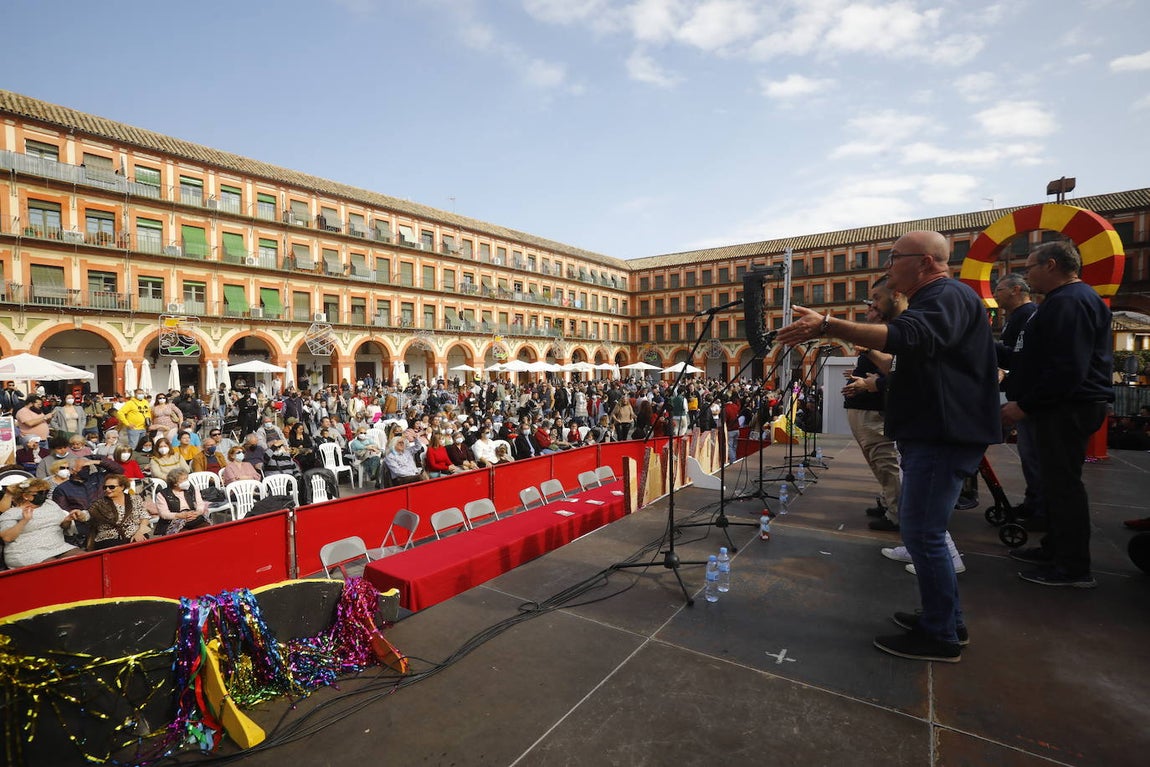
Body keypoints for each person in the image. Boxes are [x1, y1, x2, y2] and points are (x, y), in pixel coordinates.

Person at [778, 229, 1000, 663]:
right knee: (924, 531)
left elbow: (907, 338)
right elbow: (926, 363)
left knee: (923, 532)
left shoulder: (945, 295)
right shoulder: (941, 298)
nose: (886, 267)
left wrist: (827, 325)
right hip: (940, 431)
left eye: (893, 257)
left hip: (942, 434)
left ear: (925, 261)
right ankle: (946, 620)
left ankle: (940, 636)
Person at [1001, 241, 1113, 588]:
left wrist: (1025, 405)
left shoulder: (1070, 303)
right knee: (1054, 484)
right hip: (1065, 406)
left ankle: (1072, 567)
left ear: (1051, 265)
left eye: (1031, 265)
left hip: (1067, 408)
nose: (1028, 272)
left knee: (1063, 487)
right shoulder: (1067, 301)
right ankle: (1055, 549)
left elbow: (1067, 368)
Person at [842, 278, 904, 533]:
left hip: (874, 408)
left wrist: (870, 380)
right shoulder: (879, 338)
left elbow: (894, 369)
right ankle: (890, 504)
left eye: (873, 305)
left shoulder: (890, 335)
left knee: (885, 461)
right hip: (863, 406)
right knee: (876, 462)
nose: (868, 312)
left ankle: (898, 514)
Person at [993, 272, 1043, 527]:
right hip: (1021, 396)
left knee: (1035, 457)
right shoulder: (1018, 317)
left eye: (998, 288)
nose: (994, 293)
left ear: (1015, 290)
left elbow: (1019, 358)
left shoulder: (1028, 316)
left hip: (1028, 399)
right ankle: (1033, 502)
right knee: (1029, 455)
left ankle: (1040, 511)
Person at [0, 478, 87, 567]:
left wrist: (67, 520)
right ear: (26, 496)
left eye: (46, 492)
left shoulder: (50, 504)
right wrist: (24, 521)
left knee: (84, 558)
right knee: (55, 567)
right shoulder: (11, 513)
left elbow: (64, 527)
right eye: (41, 493)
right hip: (26, 553)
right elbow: (7, 537)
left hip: (58, 547)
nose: (44, 495)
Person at [88, 474, 152, 550]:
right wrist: (80, 514)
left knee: (143, 540)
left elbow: (144, 517)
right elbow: (87, 515)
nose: (107, 490)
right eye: (105, 487)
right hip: (109, 539)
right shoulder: (99, 504)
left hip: (134, 534)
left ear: (122, 487)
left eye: (112, 487)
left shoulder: (135, 499)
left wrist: (140, 532)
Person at [154, 468, 210, 536]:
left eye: (186, 478)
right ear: (175, 483)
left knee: (207, 530)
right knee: (185, 536)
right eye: (183, 480)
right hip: (174, 521)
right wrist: (180, 515)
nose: (186, 482)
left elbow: (200, 503)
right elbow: (164, 514)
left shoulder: (192, 489)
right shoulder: (162, 495)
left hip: (193, 516)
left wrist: (198, 512)